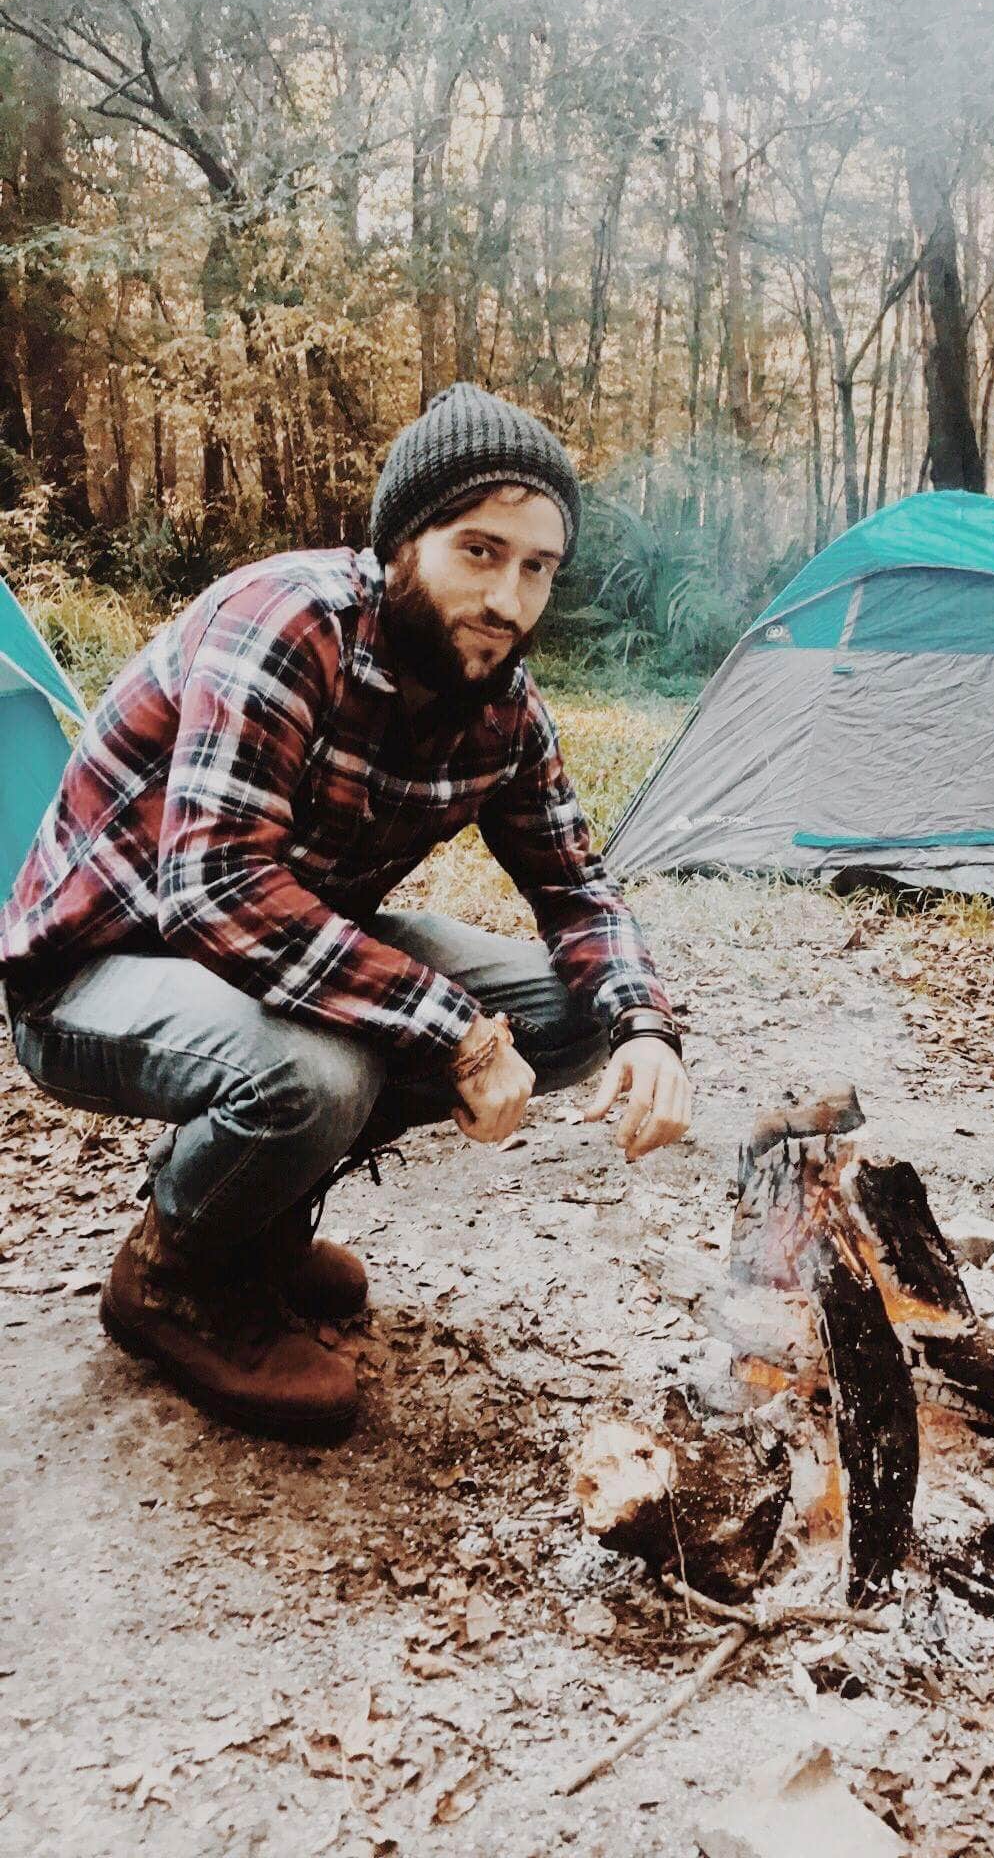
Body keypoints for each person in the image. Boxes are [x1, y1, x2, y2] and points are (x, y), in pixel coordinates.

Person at [0, 383, 690, 1445]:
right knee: (324, 1070)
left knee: (576, 1012)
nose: (509, 597)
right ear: (402, 540)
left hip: (278, 951)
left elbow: (576, 884)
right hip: (95, 970)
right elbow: (218, 888)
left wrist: (646, 1024)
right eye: (480, 550)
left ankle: (256, 1215)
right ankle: (176, 1274)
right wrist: (455, 1030)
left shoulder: (505, 708)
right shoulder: (286, 623)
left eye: (538, 567)